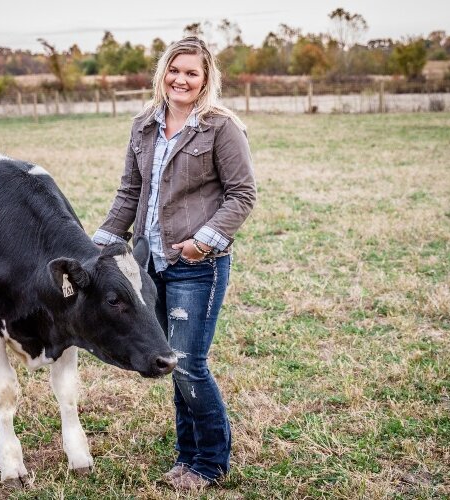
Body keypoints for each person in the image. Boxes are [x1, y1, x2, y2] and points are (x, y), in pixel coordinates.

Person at [92, 36, 256, 489]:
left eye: (192, 73)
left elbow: (243, 195)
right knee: (170, 361)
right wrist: (98, 245)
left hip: (196, 266)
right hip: (149, 267)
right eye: (174, 70)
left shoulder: (221, 128)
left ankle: (209, 464)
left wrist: (202, 243)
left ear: (206, 80)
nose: (181, 80)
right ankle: (187, 458)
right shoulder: (144, 125)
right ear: (163, 72)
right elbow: (129, 193)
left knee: (188, 363)